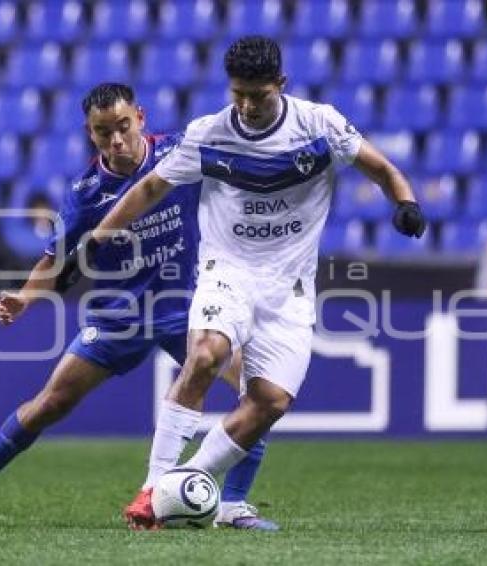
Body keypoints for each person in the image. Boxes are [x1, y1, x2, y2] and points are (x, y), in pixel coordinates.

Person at [84, 36, 426, 528]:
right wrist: (100, 234)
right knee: (205, 354)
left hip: (289, 288)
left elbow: (382, 168)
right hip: (228, 271)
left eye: (257, 96)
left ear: (280, 85)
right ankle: (152, 489)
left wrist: (406, 203)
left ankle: (181, 489)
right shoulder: (209, 133)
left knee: (270, 402)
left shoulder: (320, 125)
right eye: (238, 94)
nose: (246, 106)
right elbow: (152, 186)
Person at [0, 83, 277, 530]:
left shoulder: (179, 153)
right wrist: (26, 296)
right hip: (117, 317)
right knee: (50, 404)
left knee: (258, 392)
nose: (116, 140)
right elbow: (53, 259)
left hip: (185, 309)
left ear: (140, 117)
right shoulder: (86, 193)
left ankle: (234, 504)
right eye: (104, 132)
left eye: (123, 127)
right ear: (91, 134)